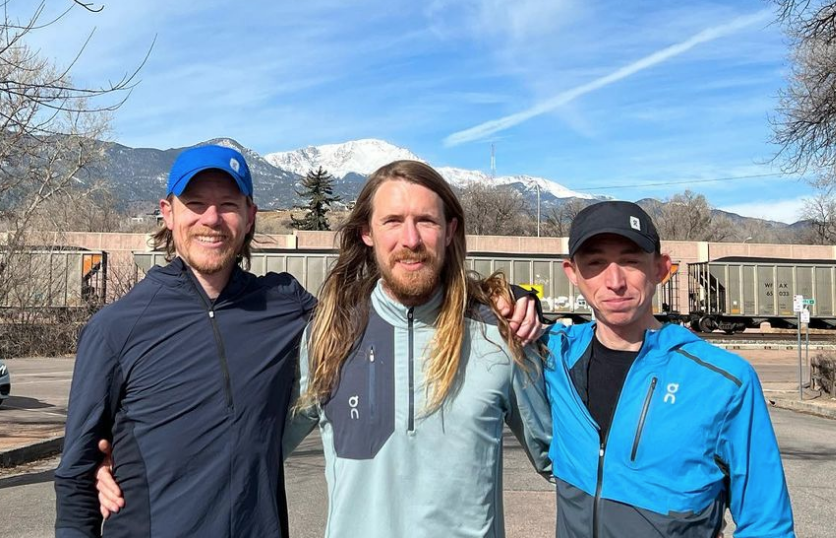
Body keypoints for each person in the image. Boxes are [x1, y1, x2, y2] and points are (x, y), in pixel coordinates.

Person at [70, 150, 543, 537]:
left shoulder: (297, 315)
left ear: (251, 216)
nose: (211, 219)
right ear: (167, 212)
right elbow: (77, 473)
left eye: (229, 205)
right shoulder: (119, 326)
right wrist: (107, 463)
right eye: (195, 204)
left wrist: (508, 298)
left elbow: (567, 458)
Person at [282, 160, 552, 537]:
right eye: (392, 221)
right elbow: (252, 452)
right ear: (367, 233)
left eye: (426, 220)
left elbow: (567, 461)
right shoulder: (328, 337)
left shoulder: (499, 337)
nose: (410, 240)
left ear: (450, 231)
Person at [542, 201, 795, 537]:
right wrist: (511, 297)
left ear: (661, 269)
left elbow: (767, 524)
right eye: (595, 263)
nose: (614, 280)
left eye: (631, 261)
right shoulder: (553, 355)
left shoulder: (724, 381)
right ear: (572, 273)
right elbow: (466, 309)